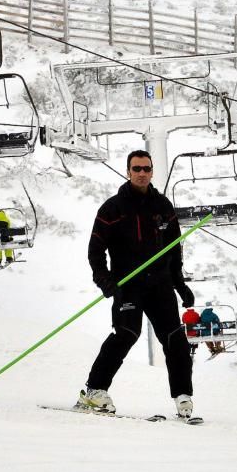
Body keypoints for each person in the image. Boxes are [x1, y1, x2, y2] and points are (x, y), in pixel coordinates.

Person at [77, 150, 196, 418]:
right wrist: (105, 280)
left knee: (174, 338)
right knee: (126, 334)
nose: (142, 173)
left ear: (152, 171)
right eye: (136, 168)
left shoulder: (163, 207)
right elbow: (96, 250)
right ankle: (95, 391)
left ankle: (183, 396)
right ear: (128, 172)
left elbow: (174, 250)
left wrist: (180, 284)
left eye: (146, 168)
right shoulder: (112, 208)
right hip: (127, 284)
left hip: (160, 284)